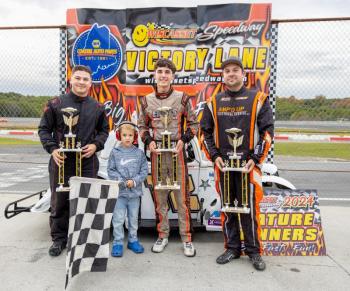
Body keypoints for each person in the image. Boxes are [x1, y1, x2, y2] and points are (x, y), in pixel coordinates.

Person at [200, 57, 274, 270]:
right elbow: (204, 133)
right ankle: (232, 247)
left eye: (235, 70)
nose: (231, 74)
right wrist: (215, 156)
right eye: (227, 71)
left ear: (243, 75)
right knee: (227, 207)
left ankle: (254, 251)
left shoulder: (259, 98)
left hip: (249, 166)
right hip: (223, 165)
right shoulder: (213, 102)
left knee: (249, 209)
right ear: (222, 76)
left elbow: (267, 131)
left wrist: (255, 159)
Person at [38, 65, 109, 256]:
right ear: (71, 79)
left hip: (86, 161)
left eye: (86, 79)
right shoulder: (55, 103)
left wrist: (95, 145)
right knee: (59, 201)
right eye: (78, 78)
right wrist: (52, 149)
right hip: (61, 161)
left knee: (86, 201)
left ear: (90, 82)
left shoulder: (98, 107)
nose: (81, 82)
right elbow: (44, 130)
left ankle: (82, 240)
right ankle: (59, 240)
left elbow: (104, 132)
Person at [138, 58, 198, 257]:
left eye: (167, 72)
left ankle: (186, 239)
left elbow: (194, 124)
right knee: (160, 198)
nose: (163, 75)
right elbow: (142, 126)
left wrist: (185, 140)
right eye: (160, 71)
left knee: (182, 199)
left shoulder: (182, 98)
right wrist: (148, 141)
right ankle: (162, 235)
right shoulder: (146, 100)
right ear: (154, 75)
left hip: (176, 152)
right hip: (157, 155)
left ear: (173, 76)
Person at [107, 121, 148, 257]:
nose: (127, 138)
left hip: (135, 194)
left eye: (130, 135)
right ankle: (118, 242)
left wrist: (134, 181)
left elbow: (143, 171)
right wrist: (123, 182)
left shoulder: (139, 153)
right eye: (124, 135)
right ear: (119, 136)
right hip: (120, 194)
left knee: (133, 218)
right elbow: (111, 170)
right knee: (118, 219)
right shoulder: (115, 152)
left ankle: (133, 240)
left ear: (134, 137)